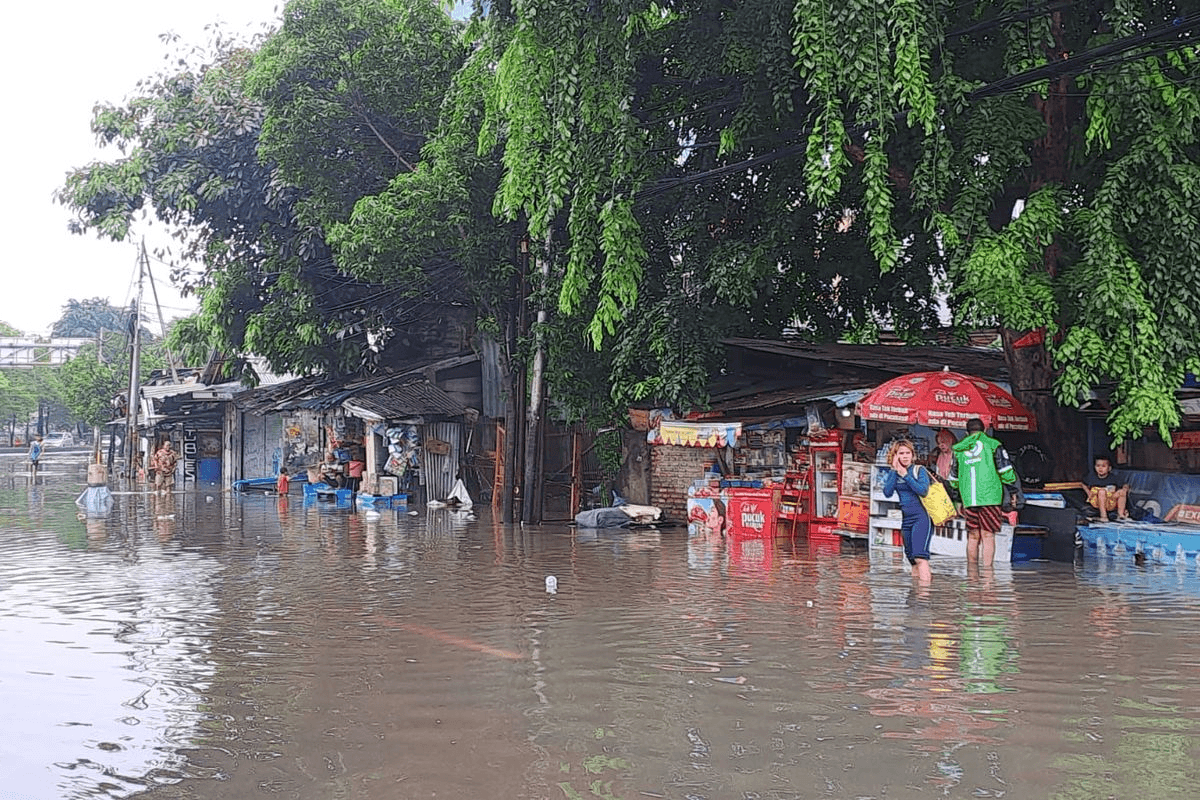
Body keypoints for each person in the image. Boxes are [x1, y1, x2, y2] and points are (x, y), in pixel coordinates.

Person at [949, 418, 1017, 566]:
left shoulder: (958, 449)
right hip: (990, 498)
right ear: (985, 430)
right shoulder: (993, 445)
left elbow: (953, 479)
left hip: (969, 498)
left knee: (973, 536)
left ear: (967, 433)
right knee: (988, 535)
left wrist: (958, 499)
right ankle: (988, 574)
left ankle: (972, 573)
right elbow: (1005, 471)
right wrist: (1013, 491)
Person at [882, 439, 934, 582]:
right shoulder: (894, 473)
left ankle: (925, 592)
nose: (905, 456)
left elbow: (923, 490)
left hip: (922, 517)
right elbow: (887, 492)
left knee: (920, 557)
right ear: (895, 455)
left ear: (912, 455)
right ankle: (916, 591)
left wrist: (906, 475)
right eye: (901, 453)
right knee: (911, 559)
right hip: (906, 519)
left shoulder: (919, 470)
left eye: (907, 453)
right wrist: (894, 471)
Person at [1083, 455, 1131, 521]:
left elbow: (1125, 485)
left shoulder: (1113, 477)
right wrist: (1088, 493)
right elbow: (1083, 484)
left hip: (1110, 500)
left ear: (1109, 468)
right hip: (1097, 501)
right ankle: (1103, 516)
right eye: (1098, 466)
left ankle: (1121, 514)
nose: (1100, 468)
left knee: (1122, 492)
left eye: (1103, 466)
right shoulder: (1092, 477)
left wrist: (1125, 488)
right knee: (1102, 491)